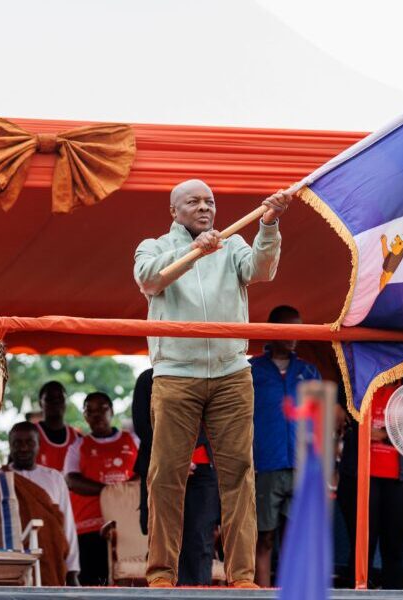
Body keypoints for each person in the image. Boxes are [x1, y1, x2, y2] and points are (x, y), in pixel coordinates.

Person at [133, 179, 292, 588]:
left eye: (210, 201)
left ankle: (242, 577)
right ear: (174, 211)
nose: (205, 207)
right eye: (194, 201)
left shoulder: (232, 242)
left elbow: (262, 270)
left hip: (231, 373)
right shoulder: (153, 246)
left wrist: (269, 224)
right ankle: (161, 575)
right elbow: (150, 280)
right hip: (175, 375)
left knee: (239, 474)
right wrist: (193, 252)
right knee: (165, 476)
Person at [249, 305, 320, 587]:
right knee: (264, 537)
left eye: (298, 330)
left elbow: (319, 421)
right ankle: (261, 593)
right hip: (265, 464)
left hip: (301, 466)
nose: (294, 336)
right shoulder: (251, 370)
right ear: (273, 329)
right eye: (289, 329)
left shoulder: (309, 371)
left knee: (293, 540)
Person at [132, 368, 220, 586]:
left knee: (200, 538)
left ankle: (199, 593)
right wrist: (174, 458)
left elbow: (216, 420)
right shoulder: (148, 378)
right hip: (161, 466)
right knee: (163, 538)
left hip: (201, 470)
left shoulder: (206, 374)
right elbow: (142, 425)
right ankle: (164, 592)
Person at [336, 379, 403, 589]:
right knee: (361, 550)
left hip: (401, 480)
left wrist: (383, 434)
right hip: (358, 477)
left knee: (394, 551)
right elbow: (338, 419)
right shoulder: (355, 384)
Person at [63, 392, 138, 586]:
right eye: (90, 411)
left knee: (129, 581)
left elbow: (146, 472)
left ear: (111, 411)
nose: (97, 415)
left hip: (128, 527)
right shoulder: (78, 446)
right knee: (93, 586)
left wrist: (125, 490)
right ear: (85, 416)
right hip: (90, 529)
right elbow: (71, 480)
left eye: (102, 409)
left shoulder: (132, 440)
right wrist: (110, 492)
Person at [1, 422, 79, 585]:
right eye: (17, 443)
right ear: (10, 445)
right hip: (10, 559)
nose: (23, 448)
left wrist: (72, 569)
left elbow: (68, 526)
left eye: (29, 442)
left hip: (50, 556)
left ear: (38, 445)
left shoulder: (54, 478)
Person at [34, 381, 80, 472]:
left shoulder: (77, 438)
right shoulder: (29, 434)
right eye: (50, 399)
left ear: (66, 402)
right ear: (40, 403)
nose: (56, 402)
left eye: (60, 398)